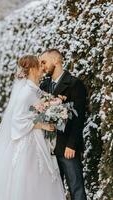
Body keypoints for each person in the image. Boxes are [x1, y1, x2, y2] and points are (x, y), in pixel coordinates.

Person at [0, 55, 66, 200]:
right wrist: (43, 124)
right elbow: (17, 120)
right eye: (39, 66)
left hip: (37, 137)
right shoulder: (26, 92)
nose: (42, 69)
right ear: (32, 69)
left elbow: (36, 109)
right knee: (29, 176)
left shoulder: (34, 89)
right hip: (29, 141)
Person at [40, 49, 87, 200]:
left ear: (56, 61)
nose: (42, 66)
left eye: (44, 62)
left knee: (76, 188)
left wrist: (72, 145)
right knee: (53, 191)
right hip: (48, 147)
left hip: (67, 147)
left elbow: (79, 119)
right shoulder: (44, 85)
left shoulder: (74, 84)